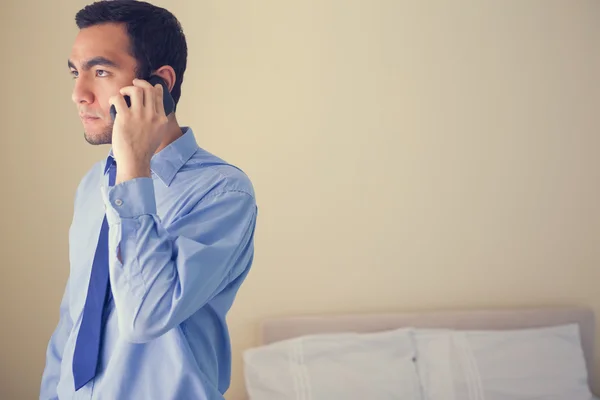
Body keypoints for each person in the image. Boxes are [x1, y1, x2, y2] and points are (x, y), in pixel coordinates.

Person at [39, 1, 257, 399]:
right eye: (75, 72)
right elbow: (75, 319)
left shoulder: (224, 192)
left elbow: (144, 317)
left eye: (100, 72)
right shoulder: (94, 184)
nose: (78, 94)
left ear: (159, 84)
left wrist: (134, 168)